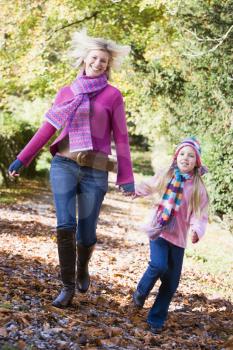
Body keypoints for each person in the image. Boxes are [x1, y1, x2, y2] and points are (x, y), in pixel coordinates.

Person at [8, 29, 134, 308]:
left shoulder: (113, 96)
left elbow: (121, 136)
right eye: (94, 58)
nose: (98, 63)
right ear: (84, 60)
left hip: (95, 170)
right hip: (64, 165)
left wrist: (126, 177)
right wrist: (23, 158)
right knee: (65, 224)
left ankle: (82, 267)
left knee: (86, 233)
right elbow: (49, 128)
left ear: (108, 65)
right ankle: (66, 287)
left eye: (103, 60)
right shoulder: (67, 92)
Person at [132, 137, 208, 334]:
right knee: (158, 265)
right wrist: (134, 190)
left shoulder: (198, 188)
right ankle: (141, 291)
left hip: (179, 238)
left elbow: (200, 214)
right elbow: (150, 185)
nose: (186, 158)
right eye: (182, 154)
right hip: (159, 229)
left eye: (191, 155)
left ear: (196, 161)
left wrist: (196, 230)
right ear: (176, 157)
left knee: (171, 282)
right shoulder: (167, 175)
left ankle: (155, 319)